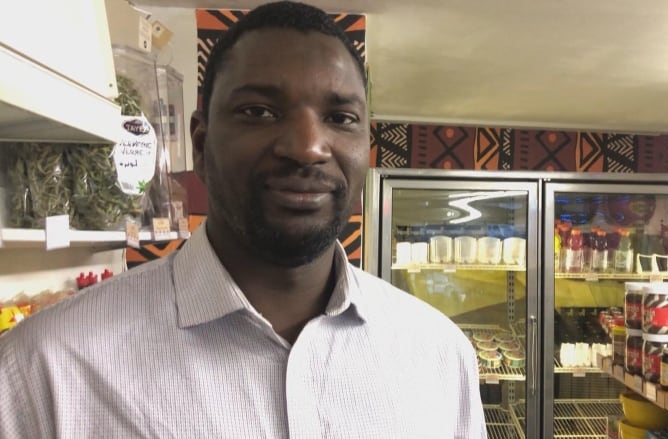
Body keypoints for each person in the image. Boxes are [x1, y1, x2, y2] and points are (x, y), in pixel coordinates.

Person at [0, 2, 487, 437]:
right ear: (201, 145)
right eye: (258, 111)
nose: (308, 147)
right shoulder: (44, 369)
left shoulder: (439, 355)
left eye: (340, 118)